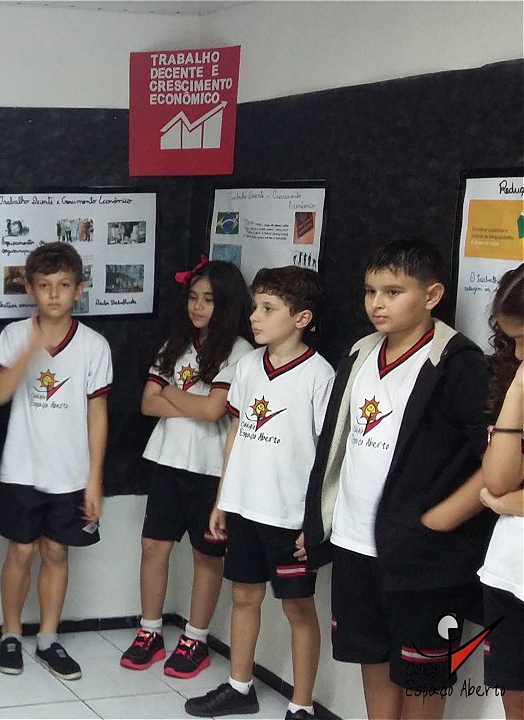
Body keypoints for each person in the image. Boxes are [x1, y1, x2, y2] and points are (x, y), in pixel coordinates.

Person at [300, 239, 494, 719]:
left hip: (424, 558)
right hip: (355, 544)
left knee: (423, 673)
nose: (377, 304)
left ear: (432, 295)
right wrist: (320, 519)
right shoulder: (361, 351)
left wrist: (441, 520)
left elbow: (497, 461)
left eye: (393, 292)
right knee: (371, 655)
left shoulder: (459, 363)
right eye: (370, 291)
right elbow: (336, 446)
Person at [183, 266, 333, 719]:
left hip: (289, 517)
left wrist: (315, 521)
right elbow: (236, 433)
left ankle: (301, 705)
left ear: (302, 318)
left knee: (298, 608)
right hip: (245, 507)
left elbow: (327, 457)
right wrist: (223, 499)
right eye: (255, 307)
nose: (255, 317)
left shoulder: (319, 375)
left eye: (268, 309)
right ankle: (239, 686)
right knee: (244, 597)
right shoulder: (248, 366)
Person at [121, 259, 253, 679]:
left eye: (209, 300)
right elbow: (147, 403)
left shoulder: (240, 352)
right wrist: (191, 401)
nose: (198, 307)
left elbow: (214, 411)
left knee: (206, 555)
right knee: (152, 546)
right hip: (168, 460)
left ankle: (195, 638)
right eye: (193, 298)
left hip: (211, 468)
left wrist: (173, 394)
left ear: (228, 303)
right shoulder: (175, 344)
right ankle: (150, 631)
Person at [0, 241, 112, 681]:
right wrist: (32, 346)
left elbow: (98, 415)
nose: (54, 294)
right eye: (44, 285)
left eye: (63, 285)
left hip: (70, 472)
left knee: (56, 551)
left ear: (79, 289)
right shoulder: (14, 335)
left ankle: (47, 638)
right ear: (30, 289)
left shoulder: (94, 345)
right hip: (22, 467)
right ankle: (10, 635)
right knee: (21, 551)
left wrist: (94, 480)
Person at [479, 263, 524, 720]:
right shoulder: (514, 372)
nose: (518, 351)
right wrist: (518, 388)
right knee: (515, 702)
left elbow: (500, 495)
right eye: (512, 340)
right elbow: (497, 480)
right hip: (510, 572)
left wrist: (507, 504)